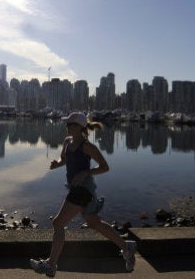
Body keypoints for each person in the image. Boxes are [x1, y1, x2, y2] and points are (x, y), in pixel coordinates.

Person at [30, 112, 137, 277]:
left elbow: (104, 166)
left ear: (79, 127)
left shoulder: (87, 146)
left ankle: (51, 265)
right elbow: (64, 159)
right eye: (67, 124)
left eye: (70, 124)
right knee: (95, 223)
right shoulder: (67, 142)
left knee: (58, 223)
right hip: (76, 189)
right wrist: (56, 164)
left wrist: (85, 173)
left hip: (83, 191)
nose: (66, 126)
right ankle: (126, 247)